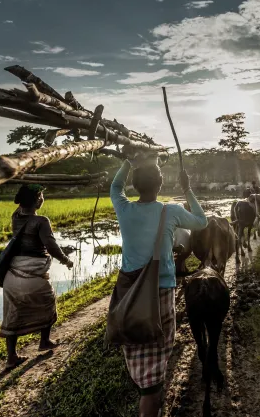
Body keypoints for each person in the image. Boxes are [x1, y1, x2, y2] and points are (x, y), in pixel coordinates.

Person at [111, 159, 207, 417]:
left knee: (136, 344)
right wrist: (187, 189)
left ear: (134, 185)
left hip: (129, 291)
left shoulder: (124, 208)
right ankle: (150, 401)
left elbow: (115, 187)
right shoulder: (171, 211)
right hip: (162, 292)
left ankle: (146, 389)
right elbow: (201, 221)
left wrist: (128, 162)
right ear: (161, 183)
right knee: (158, 352)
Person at [1, 184, 73, 370]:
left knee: (13, 313)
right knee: (48, 302)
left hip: (13, 275)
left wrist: (30, 183)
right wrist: (66, 260)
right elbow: (51, 246)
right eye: (41, 196)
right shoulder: (41, 221)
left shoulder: (16, 217)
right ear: (38, 199)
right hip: (32, 276)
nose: (42, 198)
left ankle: (11, 356)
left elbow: (21, 204)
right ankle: (45, 341)